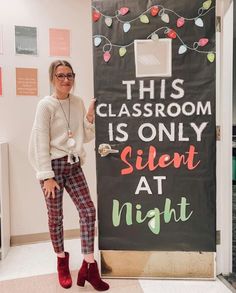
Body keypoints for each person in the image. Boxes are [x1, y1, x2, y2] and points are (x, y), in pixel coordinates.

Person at [28, 60, 109, 291]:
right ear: (52, 79)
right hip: (52, 168)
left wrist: (90, 117)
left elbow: (85, 135)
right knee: (56, 217)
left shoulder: (78, 102)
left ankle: (88, 265)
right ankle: (61, 260)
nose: (66, 80)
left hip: (73, 166)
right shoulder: (46, 105)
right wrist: (46, 176)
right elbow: (40, 141)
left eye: (70, 75)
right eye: (61, 75)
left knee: (88, 211)